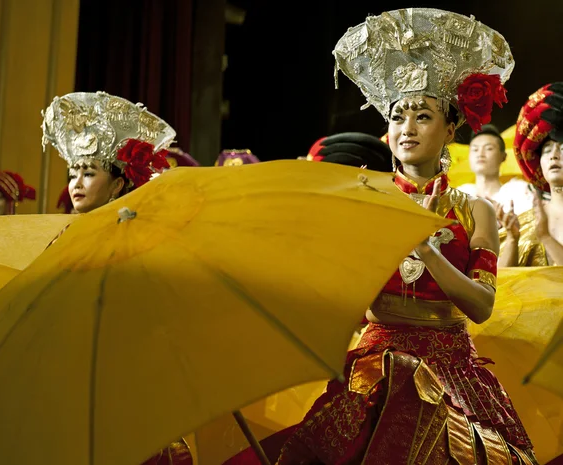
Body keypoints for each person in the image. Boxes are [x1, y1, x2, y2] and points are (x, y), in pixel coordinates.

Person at [227, 8, 536, 464]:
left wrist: (425, 248)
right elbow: (347, 305)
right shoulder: (364, 206)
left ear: (451, 128)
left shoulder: (476, 211)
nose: (407, 128)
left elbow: (481, 306)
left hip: (452, 368)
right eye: (397, 117)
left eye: (423, 116)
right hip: (374, 366)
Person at [42, 91, 193, 465]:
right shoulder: (63, 236)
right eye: (72, 173)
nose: (76, 183)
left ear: (118, 184)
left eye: (89, 173)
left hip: (122, 370)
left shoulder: (134, 235)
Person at [499, 83, 563, 267]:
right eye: (547, 150)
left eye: (562, 148)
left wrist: (545, 237)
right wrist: (512, 239)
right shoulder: (525, 221)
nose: (554, 156)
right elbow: (500, 286)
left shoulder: (537, 224)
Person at [458, 124, 533, 215]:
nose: (480, 154)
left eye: (489, 148)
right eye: (475, 149)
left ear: (503, 156)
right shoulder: (460, 195)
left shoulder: (519, 192)